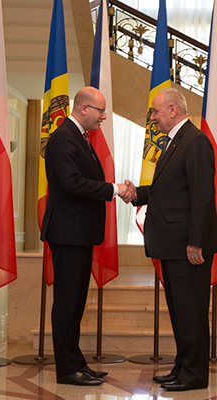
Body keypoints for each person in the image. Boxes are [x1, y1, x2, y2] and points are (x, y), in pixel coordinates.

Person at [126, 87, 217, 391]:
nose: (152, 118)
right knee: (181, 311)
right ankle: (182, 367)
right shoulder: (175, 141)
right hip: (173, 244)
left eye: (155, 112)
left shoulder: (195, 141)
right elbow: (168, 190)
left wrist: (195, 241)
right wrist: (137, 194)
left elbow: (203, 195)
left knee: (191, 312)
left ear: (172, 109)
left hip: (187, 247)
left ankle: (194, 375)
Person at [40, 86, 133, 386]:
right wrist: (115, 189)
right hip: (68, 232)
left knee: (76, 302)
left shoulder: (78, 136)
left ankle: (77, 361)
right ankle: (67, 370)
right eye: (100, 110)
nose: (103, 116)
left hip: (78, 232)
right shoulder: (63, 138)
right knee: (67, 303)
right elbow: (72, 183)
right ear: (83, 108)